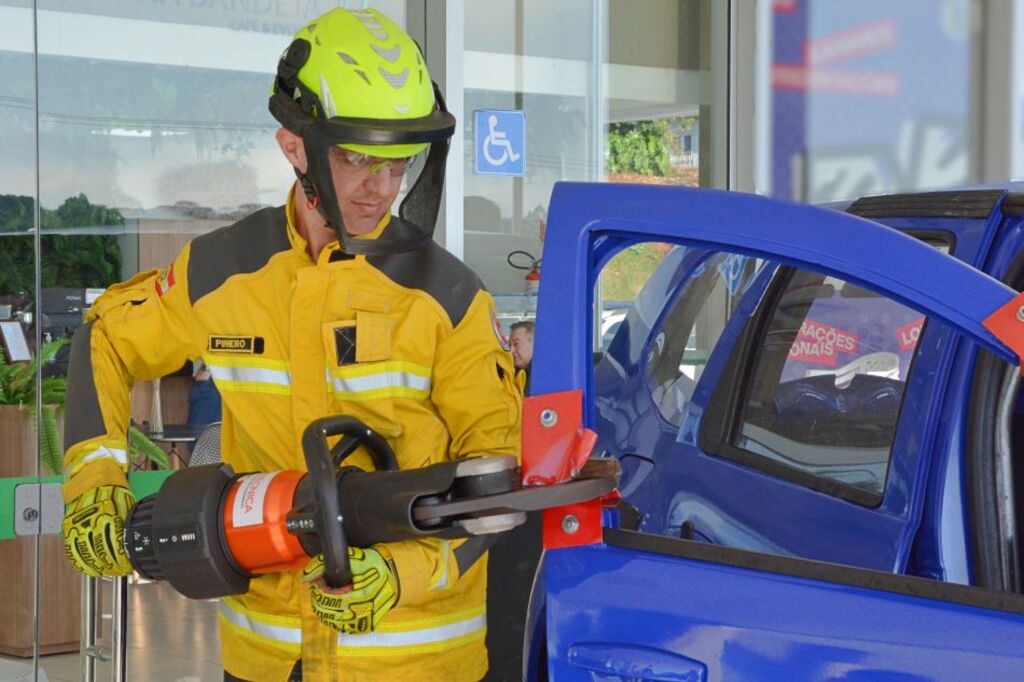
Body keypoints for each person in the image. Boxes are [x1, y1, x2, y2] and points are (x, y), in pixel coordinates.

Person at [60, 8, 521, 682]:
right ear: (293, 145)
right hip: (268, 662)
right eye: (357, 157)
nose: (382, 186)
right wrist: (96, 479)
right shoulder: (221, 271)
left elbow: (497, 484)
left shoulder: (449, 299)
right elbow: (106, 335)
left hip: (418, 665)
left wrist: (399, 572)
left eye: (398, 162)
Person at [509, 320, 534, 394]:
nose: (511, 351)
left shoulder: (547, 375)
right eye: (510, 345)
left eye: (516, 344)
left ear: (534, 342)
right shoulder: (512, 373)